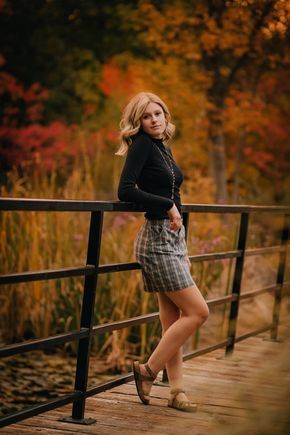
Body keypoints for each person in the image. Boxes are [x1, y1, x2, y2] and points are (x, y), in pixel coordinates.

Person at [116, 91, 209, 412]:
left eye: (158, 114)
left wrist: (182, 245)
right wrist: (167, 205)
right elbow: (125, 189)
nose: (154, 120)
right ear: (138, 122)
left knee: (173, 322)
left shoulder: (162, 147)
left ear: (165, 116)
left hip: (172, 240)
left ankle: (176, 392)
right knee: (198, 312)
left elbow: (173, 193)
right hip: (156, 241)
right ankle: (148, 371)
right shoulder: (141, 145)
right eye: (146, 116)